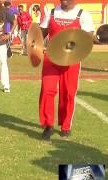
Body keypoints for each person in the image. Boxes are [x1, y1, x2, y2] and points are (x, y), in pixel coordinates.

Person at [39, 0, 94, 141]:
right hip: (51, 58)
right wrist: (35, 42)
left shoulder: (83, 15)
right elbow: (41, 34)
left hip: (72, 59)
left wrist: (96, 37)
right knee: (47, 90)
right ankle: (48, 125)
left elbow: (88, 38)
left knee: (68, 93)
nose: (64, 0)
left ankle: (65, 126)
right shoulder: (51, 12)